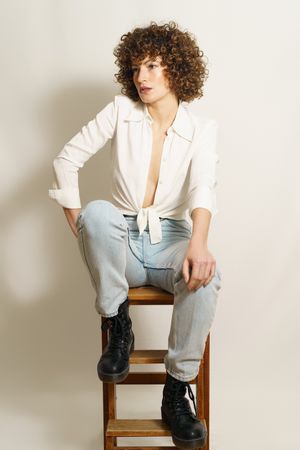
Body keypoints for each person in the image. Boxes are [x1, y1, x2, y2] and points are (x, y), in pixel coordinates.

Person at [48, 20, 222, 449]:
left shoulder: (201, 129)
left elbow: (203, 187)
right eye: (135, 68)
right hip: (119, 240)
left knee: (208, 276)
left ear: (176, 70)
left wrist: (198, 243)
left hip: (170, 240)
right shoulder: (120, 111)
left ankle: (176, 391)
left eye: (152, 66)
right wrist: (81, 223)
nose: (140, 77)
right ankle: (118, 325)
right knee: (100, 212)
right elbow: (66, 160)